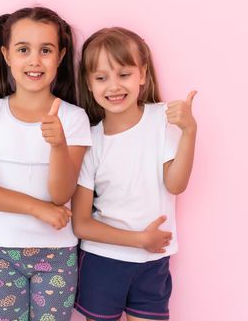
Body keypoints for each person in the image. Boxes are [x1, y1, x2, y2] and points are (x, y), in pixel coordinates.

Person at [0, 6, 91, 321]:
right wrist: (37, 208)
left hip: (57, 254)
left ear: (60, 56)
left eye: (45, 50)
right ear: (6, 55)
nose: (35, 60)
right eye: (23, 49)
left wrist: (58, 145)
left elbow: (61, 195)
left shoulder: (74, 119)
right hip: (1, 252)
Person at [73, 27, 197, 321]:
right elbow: (81, 224)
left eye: (124, 74)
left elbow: (176, 184)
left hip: (153, 261)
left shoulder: (162, 120)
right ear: (89, 84)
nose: (113, 86)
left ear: (142, 74)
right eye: (101, 78)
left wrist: (190, 131)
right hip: (103, 261)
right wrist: (139, 239)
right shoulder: (89, 141)